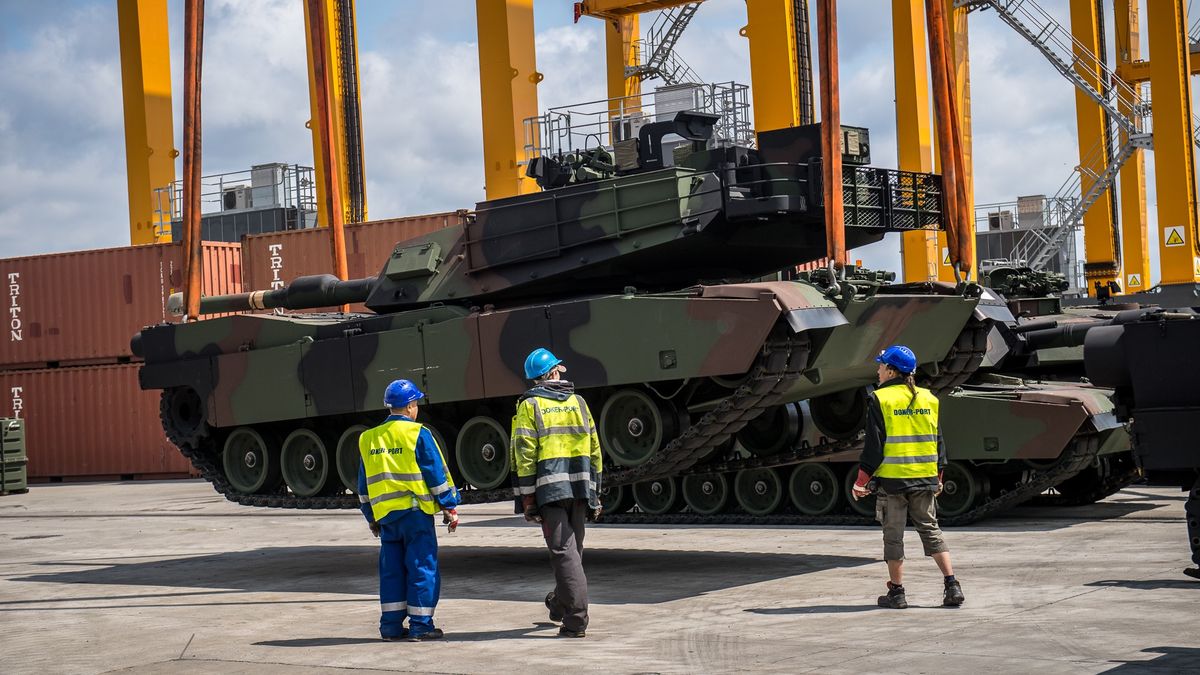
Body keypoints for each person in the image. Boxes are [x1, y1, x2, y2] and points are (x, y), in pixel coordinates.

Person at [851, 345, 965, 609]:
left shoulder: (880, 399)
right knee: (931, 530)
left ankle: (898, 593)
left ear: (891, 371)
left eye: (881, 366)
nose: (877, 370)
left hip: (893, 481)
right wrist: (937, 476)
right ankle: (952, 585)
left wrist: (861, 482)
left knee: (894, 537)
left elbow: (874, 447)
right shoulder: (929, 399)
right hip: (924, 478)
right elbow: (938, 442)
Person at [510, 347, 604, 638]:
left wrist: (527, 498)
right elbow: (595, 449)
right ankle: (561, 603)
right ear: (553, 372)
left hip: (550, 491)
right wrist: (596, 491)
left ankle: (576, 619)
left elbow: (524, 454)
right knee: (572, 553)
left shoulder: (530, 406)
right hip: (580, 487)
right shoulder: (578, 402)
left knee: (564, 555)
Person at [358, 379, 461, 641]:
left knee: (392, 571)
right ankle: (421, 625)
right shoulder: (418, 433)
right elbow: (435, 476)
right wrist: (449, 507)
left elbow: (363, 486)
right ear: (411, 406)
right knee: (421, 568)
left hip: (386, 518)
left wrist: (371, 518)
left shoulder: (368, 439)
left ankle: (391, 628)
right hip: (415, 515)